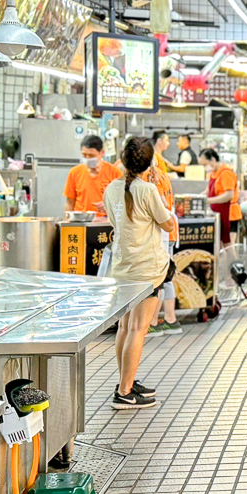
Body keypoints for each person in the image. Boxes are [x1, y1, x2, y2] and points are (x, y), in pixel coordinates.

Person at [103, 137, 176, 409]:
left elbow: (115, 221)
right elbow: (168, 224)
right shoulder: (147, 191)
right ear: (149, 161)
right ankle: (124, 392)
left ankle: (127, 381)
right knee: (138, 328)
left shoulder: (112, 188)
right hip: (148, 269)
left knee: (125, 326)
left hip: (122, 267)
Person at [145, 141, 182, 336]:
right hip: (168, 231)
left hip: (161, 232)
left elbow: (155, 207)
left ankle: (153, 321)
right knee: (167, 277)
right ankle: (170, 319)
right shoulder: (163, 175)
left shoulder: (150, 178)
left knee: (159, 278)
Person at [64, 134, 121, 215]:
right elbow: (70, 202)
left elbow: (123, 201)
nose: (87, 159)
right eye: (84, 155)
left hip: (106, 223)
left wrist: (110, 205)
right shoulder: (74, 172)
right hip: (81, 222)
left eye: (91, 156)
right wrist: (67, 223)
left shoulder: (115, 173)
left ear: (102, 153)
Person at [201, 148, 240, 246]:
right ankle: (226, 262)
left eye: (205, 164)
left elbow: (229, 195)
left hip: (229, 214)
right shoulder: (213, 174)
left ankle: (233, 262)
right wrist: (197, 198)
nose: (205, 167)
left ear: (213, 160)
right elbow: (208, 191)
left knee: (228, 246)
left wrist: (208, 201)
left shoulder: (226, 173)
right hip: (219, 214)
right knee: (221, 245)